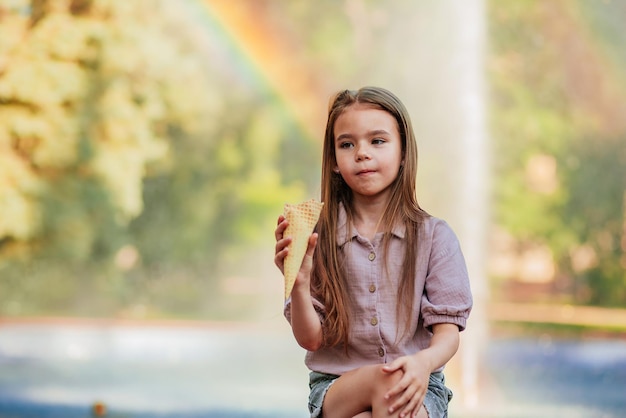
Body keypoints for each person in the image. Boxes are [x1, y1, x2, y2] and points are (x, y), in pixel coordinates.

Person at [274, 86, 473, 418]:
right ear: (335, 161)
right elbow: (311, 340)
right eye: (347, 144)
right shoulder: (316, 239)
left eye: (377, 141)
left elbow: (447, 336)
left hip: (420, 383)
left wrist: (422, 363)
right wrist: (298, 282)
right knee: (388, 381)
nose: (361, 153)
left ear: (404, 153)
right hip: (336, 387)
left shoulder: (435, 237)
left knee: (385, 398)